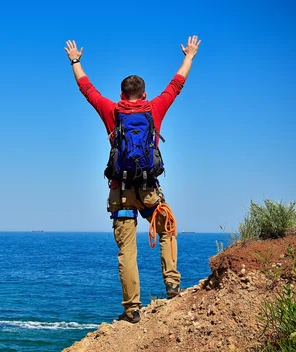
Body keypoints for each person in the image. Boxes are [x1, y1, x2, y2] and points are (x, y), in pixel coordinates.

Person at [64, 36, 201, 323]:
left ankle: (132, 309)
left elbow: (87, 90)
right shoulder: (155, 108)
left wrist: (76, 61)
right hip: (150, 191)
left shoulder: (112, 111)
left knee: (127, 251)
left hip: (121, 192)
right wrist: (189, 56)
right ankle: (172, 284)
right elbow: (176, 85)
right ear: (144, 92)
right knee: (168, 229)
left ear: (121, 93)